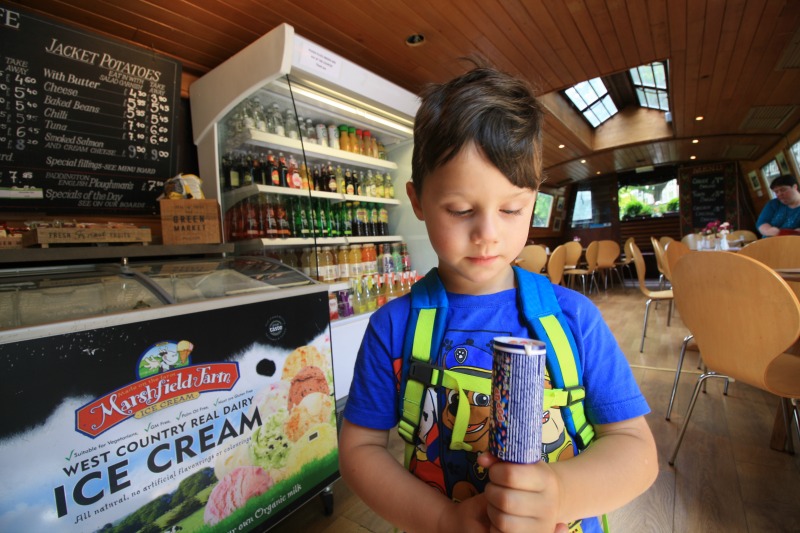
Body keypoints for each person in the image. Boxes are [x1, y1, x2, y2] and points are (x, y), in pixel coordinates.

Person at [338, 65, 657, 533]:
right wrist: (444, 518)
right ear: (419, 201)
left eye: (511, 209)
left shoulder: (575, 319)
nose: (488, 234)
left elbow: (635, 447)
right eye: (461, 209)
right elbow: (360, 450)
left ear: (533, 200)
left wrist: (561, 493)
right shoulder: (393, 327)